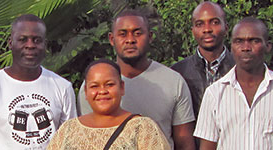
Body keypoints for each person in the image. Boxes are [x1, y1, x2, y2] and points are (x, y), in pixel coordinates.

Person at [77, 10, 195, 150]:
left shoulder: (174, 82)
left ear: (150, 37)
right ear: (111, 39)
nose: (130, 40)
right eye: (122, 34)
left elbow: (184, 143)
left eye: (137, 33)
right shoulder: (96, 88)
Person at [0, 14, 77, 150]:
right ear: (10, 43)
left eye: (37, 40)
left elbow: (70, 141)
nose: (30, 45)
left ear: (45, 45)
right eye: (22, 39)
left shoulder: (62, 87)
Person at [47, 59, 170, 149]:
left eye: (109, 84)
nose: (102, 91)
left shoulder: (142, 129)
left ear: (121, 87)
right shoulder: (68, 130)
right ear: (86, 92)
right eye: (94, 86)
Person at [194, 17, 273, 150]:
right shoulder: (214, 94)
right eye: (239, 41)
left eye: (254, 41)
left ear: (268, 46)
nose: (246, 48)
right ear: (231, 47)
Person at [171, 1, 235, 119]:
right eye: (200, 24)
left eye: (214, 22)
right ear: (193, 31)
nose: (207, 29)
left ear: (226, 28)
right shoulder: (177, 73)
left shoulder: (241, 69)